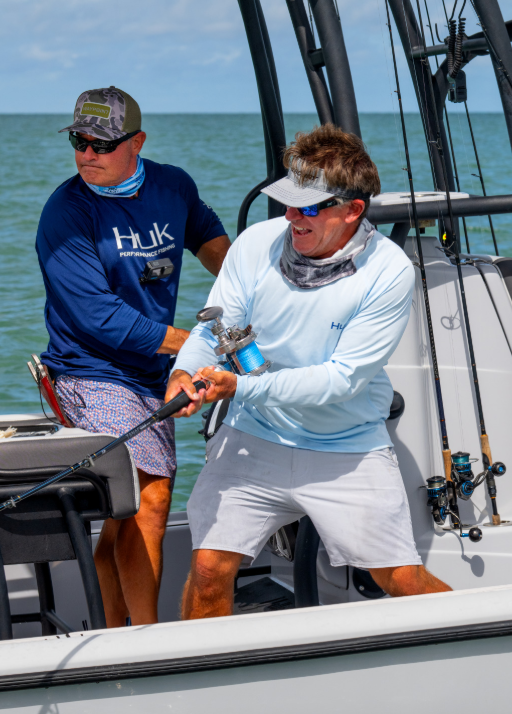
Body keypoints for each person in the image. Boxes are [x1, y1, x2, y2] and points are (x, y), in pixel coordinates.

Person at [166, 123, 451, 620]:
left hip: (346, 448)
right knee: (209, 569)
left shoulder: (389, 272)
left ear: (352, 211)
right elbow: (214, 329)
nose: (292, 217)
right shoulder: (256, 244)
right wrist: (185, 371)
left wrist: (239, 386)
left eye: (309, 208)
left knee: (400, 578)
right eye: (289, 203)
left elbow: (341, 380)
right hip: (254, 438)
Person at [36, 86, 230, 627]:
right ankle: (148, 639)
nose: (86, 155)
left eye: (101, 144)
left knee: (124, 516)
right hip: (91, 369)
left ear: (137, 142)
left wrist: (261, 299)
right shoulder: (65, 212)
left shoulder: (174, 186)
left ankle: (114, 630)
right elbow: (101, 318)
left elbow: (215, 246)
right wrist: (193, 345)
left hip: (151, 371)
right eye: (79, 141)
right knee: (151, 497)